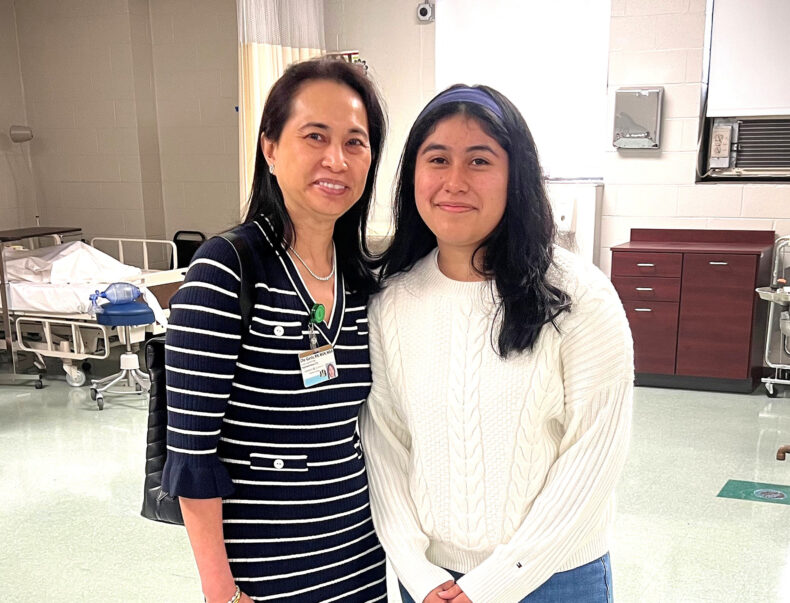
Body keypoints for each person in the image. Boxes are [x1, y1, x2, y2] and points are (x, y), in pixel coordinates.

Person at [360, 85, 634, 603]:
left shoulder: (579, 297)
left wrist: (494, 584)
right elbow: (385, 444)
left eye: (480, 160)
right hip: (432, 581)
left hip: (555, 579)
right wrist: (418, 572)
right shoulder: (392, 302)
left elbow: (592, 460)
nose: (454, 182)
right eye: (437, 159)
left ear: (517, 177)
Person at [161, 57, 388, 603]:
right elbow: (192, 456)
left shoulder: (363, 281)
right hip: (264, 574)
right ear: (269, 147)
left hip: (363, 561)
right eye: (315, 136)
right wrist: (223, 592)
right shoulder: (227, 270)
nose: (336, 159)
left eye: (355, 142)